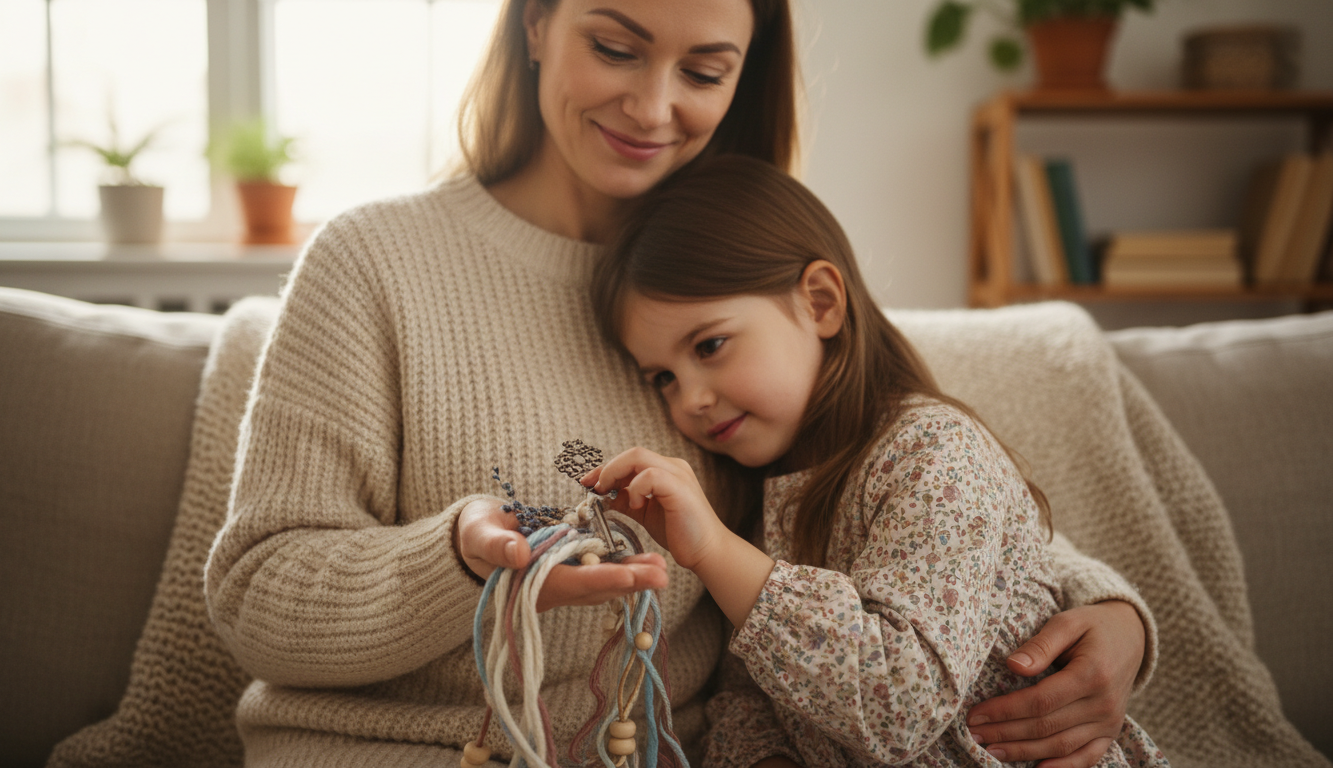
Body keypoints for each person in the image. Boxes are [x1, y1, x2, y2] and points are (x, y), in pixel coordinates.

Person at [203, 0, 1155, 765]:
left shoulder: (750, 276)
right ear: (535, 24)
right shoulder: (375, 262)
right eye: (615, 47)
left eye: (703, 71)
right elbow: (256, 598)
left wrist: (1114, 624)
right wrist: (459, 560)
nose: (655, 108)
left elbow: (926, 492)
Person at [582, 155, 1168, 768]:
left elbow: (903, 700)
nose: (691, 399)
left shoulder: (936, 454)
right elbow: (749, 700)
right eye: (663, 378)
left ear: (820, 302)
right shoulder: (764, 506)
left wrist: (718, 554)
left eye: (710, 345)